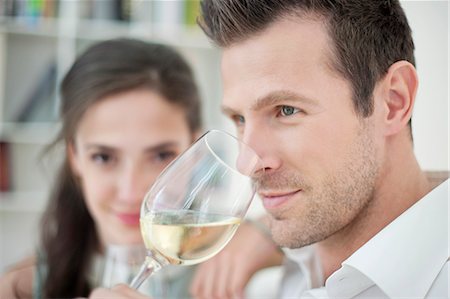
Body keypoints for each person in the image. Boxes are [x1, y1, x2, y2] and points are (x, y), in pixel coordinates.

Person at [90, 0, 448, 298]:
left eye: (286, 111)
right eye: (239, 119)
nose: (247, 163)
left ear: (393, 102)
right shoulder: (278, 270)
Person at [0, 38, 203, 298]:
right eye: (104, 158)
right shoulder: (20, 290)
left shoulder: (242, 284)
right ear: (74, 157)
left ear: (196, 153)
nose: (131, 193)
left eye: (162, 155)